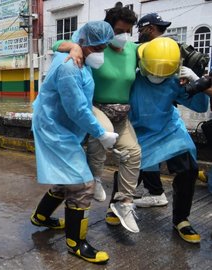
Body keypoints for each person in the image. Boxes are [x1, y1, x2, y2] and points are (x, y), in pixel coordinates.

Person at [29, 21, 115, 264]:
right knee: (82, 184)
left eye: (104, 47)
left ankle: (41, 218)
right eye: (98, 47)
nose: (101, 53)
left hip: (60, 126)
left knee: (65, 180)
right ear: (85, 43)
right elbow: (77, 109)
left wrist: (74, 46)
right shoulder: (70, 66)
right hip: (54, 129)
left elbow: (60, 44)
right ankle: (76, 243)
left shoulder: (80, 54)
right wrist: (101, 133)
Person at [52, 5, 140, 233]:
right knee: (103, 131)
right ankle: (96, 178)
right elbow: (56, 45)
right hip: (98, 106)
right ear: (108, 28)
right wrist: (74, 47)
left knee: (133, 153)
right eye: (119, 30)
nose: (123, 36)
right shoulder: (94, 46)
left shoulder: (132, 50)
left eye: (128, 31)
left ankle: (124, 202)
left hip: (123, 111)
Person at [129, 37, 210, 243]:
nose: (158, 76)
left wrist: (196, 81)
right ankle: (118, 204)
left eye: (163, 73)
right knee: (129, 169)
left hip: (168, 131)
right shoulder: (131, 80)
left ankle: (181, 219)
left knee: (189, 170)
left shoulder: (175, 81)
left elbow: (200, 107)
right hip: (140, 131)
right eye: (154, 71)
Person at [131, 13, 173, 208]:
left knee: (144, 154)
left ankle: (127, 197)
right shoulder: (134, 52)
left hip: (160, 114)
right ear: (147, 30)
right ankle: (155, 191)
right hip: (140, 112)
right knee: (146, 154)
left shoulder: (169, 52)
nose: (162, 35)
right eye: (158, 29)